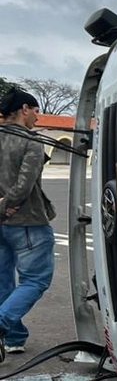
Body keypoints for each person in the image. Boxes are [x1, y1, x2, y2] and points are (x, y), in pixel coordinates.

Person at [0, 88, 56, 357]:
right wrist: (6, 206)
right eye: (35, 110)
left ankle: (13, 338)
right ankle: (2, 324)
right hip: (27, 221)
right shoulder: (31, 142)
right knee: (36, 279)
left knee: (3, 281)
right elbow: (24, 185)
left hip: (2, 223)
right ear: (24, 109)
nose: (37, 116)